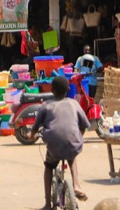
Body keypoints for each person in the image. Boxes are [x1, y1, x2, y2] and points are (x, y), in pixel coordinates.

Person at [29, 75, 89, 208]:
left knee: (49, 166)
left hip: (54, 145)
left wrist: (31, 136)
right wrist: (78, 136)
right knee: (71, 156)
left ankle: (47, 204)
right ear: (68, 89)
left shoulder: (46, 106)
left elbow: (35, 128)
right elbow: (84, 125)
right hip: (73, 142)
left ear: (52, 90)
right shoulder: (74, 103)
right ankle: (76, 184)